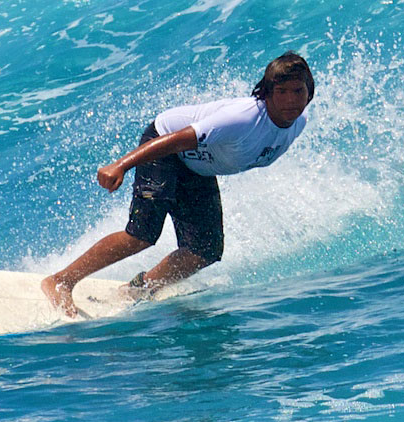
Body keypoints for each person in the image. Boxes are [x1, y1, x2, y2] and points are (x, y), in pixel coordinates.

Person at [42, 51, 315, 318]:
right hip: (165, 144)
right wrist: (121, 165)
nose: (291, 100)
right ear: (267, 93)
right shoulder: (241, 120)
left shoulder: (297, 122)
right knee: (142, 234)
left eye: (298, 91)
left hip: (196, 168)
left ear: (309, 92)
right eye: (282, 92)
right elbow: (175, 139)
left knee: (205, 250)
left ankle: (139, 289)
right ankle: (61, 280)